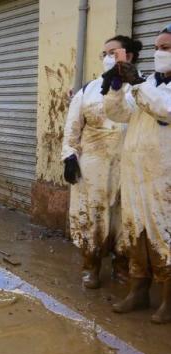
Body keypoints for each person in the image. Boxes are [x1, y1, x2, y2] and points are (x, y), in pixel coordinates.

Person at [103, 25, 171, 324]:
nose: (159, 52)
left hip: (163, 179)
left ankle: (168, 301)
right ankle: (138, 290)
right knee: (135, 232)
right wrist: (117, 87)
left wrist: (138, 82)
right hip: (135, 175)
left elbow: (164, 109)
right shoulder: (148, 83)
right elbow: (119, 114)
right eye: (157, 46)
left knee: (164, 237)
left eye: (166, 47)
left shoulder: (152, 88)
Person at [62, 36, 140, 289]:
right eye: (104, 53)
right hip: (92, 166)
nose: (107, 58)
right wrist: (69, 157)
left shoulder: (142, 88)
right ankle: (91, 266)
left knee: (124, 218)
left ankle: (121, 266)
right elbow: (72, 129)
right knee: (91, 216)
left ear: (128, 56)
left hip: (129, 165)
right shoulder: (88, 90)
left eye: (113, 52)